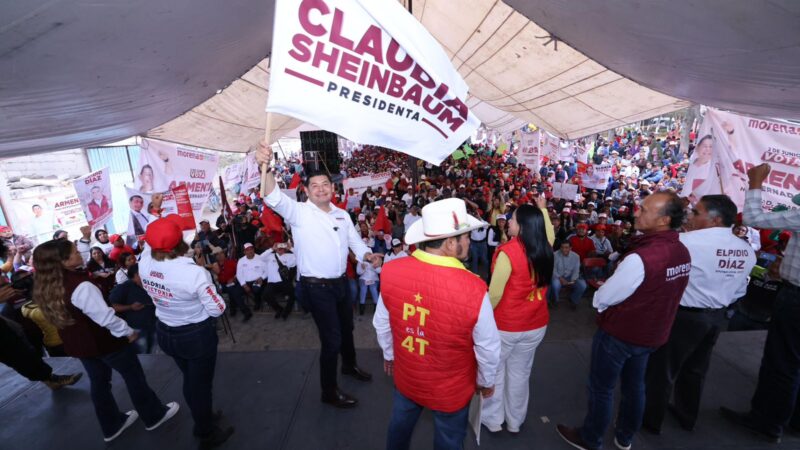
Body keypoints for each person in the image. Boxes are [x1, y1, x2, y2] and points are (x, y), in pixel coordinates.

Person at [556, 191, 691, 450]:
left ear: (663, 220)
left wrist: (603, 295)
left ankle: (591, 438)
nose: (637, 211)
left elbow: (604, 297)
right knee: (635, 386)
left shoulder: (643, 257)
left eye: (645, 209)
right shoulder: (681, 251)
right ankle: (625, 436)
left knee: (601, 388)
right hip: (653, 334)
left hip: (621, 333)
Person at [258, 142, 382, 409]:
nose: (322, 188)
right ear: (306, 191)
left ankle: (349, 367)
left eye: (326, 183)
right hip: (315, 288)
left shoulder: (342, 215)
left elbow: (355, 243)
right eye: (315, 185)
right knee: (331, 339)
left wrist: (367, 255)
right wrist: (264, 166)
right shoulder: (300, 213)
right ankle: (329, 391)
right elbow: (272, 196)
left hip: (340, 283)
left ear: (333, 187)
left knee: (347, 330)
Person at [373, 198, 501, 450]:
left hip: (408, 374)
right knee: (449, 439)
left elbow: (381, 325)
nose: (468, 241)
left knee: (399, 426)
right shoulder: (474, 287)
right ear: (451, 243)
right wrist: (486, 381)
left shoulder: (392, 270)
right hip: (451, 388)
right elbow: (488, 348)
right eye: (465, 236)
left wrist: (390, 356)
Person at [32, 239, 179, 442]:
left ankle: (111, 425)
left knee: (99, 383)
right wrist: (127, 331)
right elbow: (105, 317)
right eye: (75, 252)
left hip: (80, 345)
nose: (79, 253)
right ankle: (154, 415)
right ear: (63, 261)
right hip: (105, 343)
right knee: (133, 377)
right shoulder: (81, 285)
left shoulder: (48, 286)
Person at [643, 194, 755, 434]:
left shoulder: (685, 242)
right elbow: (739, 290)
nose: (690, 216)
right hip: (716, 317)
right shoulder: (746, 249)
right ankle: (686, 416)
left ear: (714, 219)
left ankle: (650, 420)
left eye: (696, 212)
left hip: (684, 316)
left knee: (663, 370)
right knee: (696, 368)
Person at [719, 163, 800, 443]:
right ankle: (793, 420)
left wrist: (755, 182)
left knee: (781, 362)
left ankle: (767, 422)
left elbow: (754, 217)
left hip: (796, 299)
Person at [138, 215, 233, 448]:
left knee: (191, 381)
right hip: (195, 336)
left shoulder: (144, 262)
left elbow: (152, 241)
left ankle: (205, 417)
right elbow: (217, 308)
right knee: (200, 387)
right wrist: (207, 278)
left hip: (166, 332)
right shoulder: (194, 273)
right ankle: (206, 432)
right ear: (180, 242)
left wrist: (156, 212)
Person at [482, 203, 553, 433]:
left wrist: (482, 319)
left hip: (506, 325)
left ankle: (493, 420)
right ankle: (515, 421)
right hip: (536, 324)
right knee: (520, 373)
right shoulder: (546, 247)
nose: (508, 222)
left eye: (511, 219)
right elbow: (548, 233)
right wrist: (542, 210)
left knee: (496, 372)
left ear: (521, 226)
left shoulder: (508, 252)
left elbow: (494, 294)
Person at [110, 264, 157, 354]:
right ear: (136, 275)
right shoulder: (124, 287)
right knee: (142, 352)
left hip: (154, 325)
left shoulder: (152, 285)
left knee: (155, 352)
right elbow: (111, 306)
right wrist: (130, 307)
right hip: (137, 328)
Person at [215, 247, 253, 322]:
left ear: (224, 254)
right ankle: (239, 309)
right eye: (217, 254)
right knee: (232, 291)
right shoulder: (215, 266)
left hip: (235, 282)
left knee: (233, 290)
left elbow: (240, 272)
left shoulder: (232, 262)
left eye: (221, 253)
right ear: (215, 256)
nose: (220, 255)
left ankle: (238, 310)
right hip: (223, 285)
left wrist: (234, 278)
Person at [262, 242, 297, 320]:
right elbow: (260, 257)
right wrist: (271, 249)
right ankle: (278, 309)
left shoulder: (290, 256)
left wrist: (291, 248)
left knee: (294, 294)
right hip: (272, 282)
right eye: (278, 247)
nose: (280, 248)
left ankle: (286, 311)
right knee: (266, 295)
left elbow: (300, 256)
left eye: (282, 246)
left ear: (285, 248)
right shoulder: (270, 256)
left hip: (284, 281)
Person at [549, 240, 587, 309]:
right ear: (560, 248)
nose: (564, 249)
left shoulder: (576, 256)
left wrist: (573, 280)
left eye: (566, 247)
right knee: (555, 285)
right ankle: (555, 300)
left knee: (583, 285)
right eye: (562, 247)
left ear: (570, 248)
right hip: (558, 276)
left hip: (570, 276)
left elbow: (576, 270)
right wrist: (561, 278)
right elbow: (553, 269)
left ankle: (574, 300)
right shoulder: (555, 255)